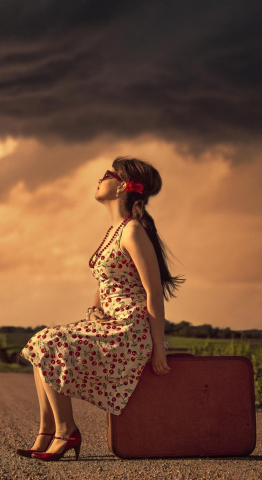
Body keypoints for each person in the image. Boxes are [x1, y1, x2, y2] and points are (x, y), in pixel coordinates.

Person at [17, 155, 186, 461]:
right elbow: (106, 281)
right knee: (40, 343)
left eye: (106, 174)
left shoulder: (133, 231)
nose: (99, 179)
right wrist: (94, 310)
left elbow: (153, 292)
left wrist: (158, 346)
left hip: (130, 330)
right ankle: (46, 431)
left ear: (122, 187)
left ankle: (66, 431)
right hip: (110, 322)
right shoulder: (116, 230)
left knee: (49, 342)